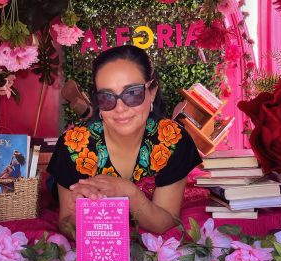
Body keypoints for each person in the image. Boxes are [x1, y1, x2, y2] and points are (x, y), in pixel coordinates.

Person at [47, 45, 202, 236]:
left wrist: (129, 192)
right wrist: (77, 216)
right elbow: (65, 224)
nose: (120, 108)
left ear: (152, 91)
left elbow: (166, 222)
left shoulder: (173, 140)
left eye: (132, 93)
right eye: (106, 97)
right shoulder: (72, 145)